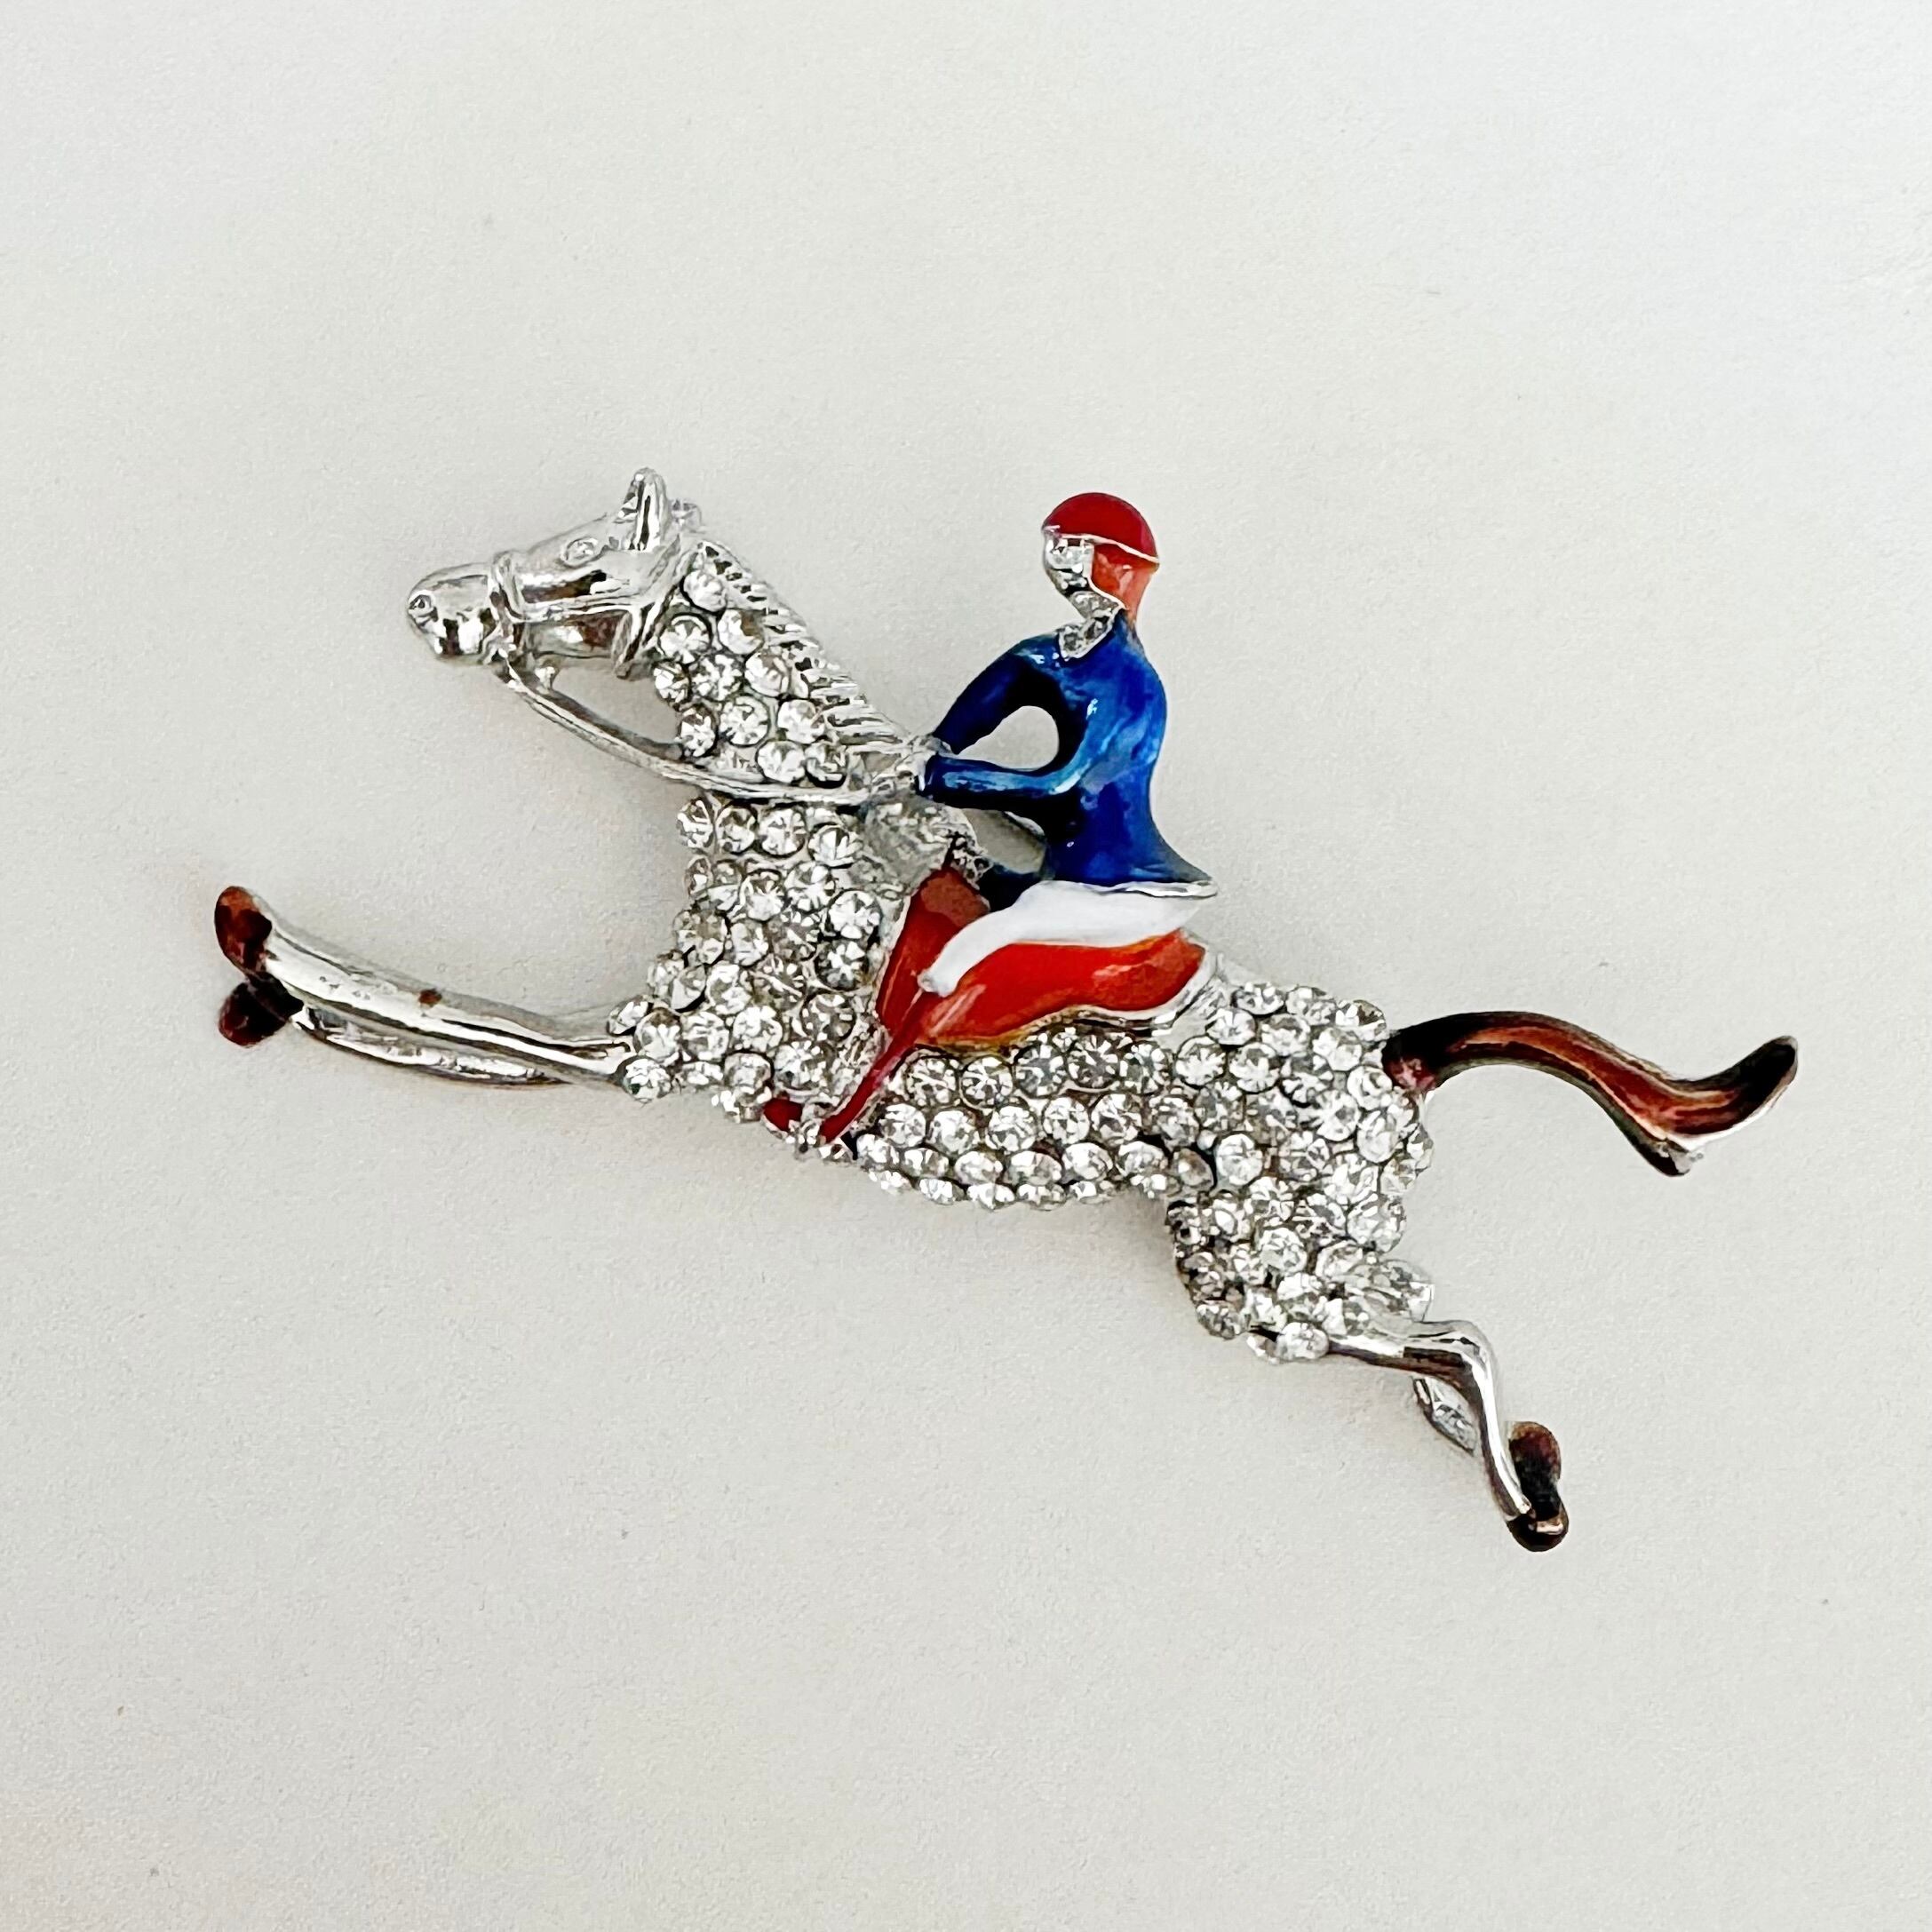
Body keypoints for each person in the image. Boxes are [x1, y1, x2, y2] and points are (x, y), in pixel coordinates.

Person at [911, 492, 1213, 996]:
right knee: (982, 883)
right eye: (1056, 546)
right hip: (1063, 869)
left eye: (1075, 548)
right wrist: (938, 741)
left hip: (1119, 885)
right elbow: (1010, 679)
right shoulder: (1054, 655)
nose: (1060, 561)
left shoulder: (1128, 681)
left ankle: (940, 979)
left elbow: (1064, 789)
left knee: (1015, 920)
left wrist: (941, 776)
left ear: (1113, 563)